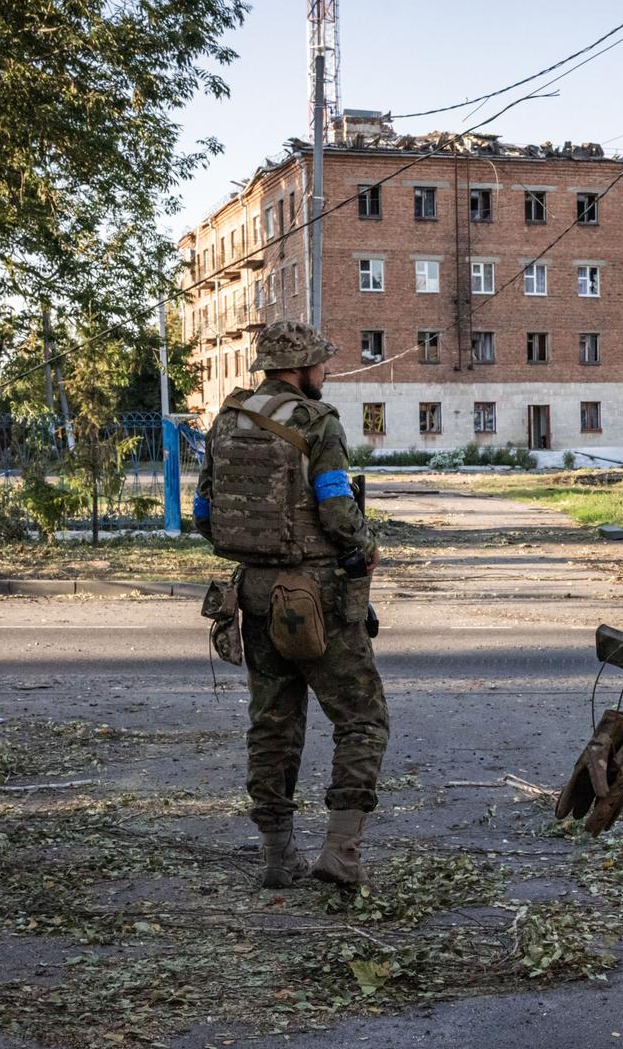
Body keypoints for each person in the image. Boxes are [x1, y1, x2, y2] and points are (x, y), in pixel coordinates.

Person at [193, 321, 385, 888]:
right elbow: (335, 509)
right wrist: (366, 547)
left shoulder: (226, 421)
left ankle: (278, 857)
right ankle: (341, 854)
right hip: (317, 597)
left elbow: (206, 515)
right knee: (362, 719)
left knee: (272, 726)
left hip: (252, 595)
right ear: (300, 369)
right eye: (321, 363)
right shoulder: (317, 422)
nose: (325, 372)